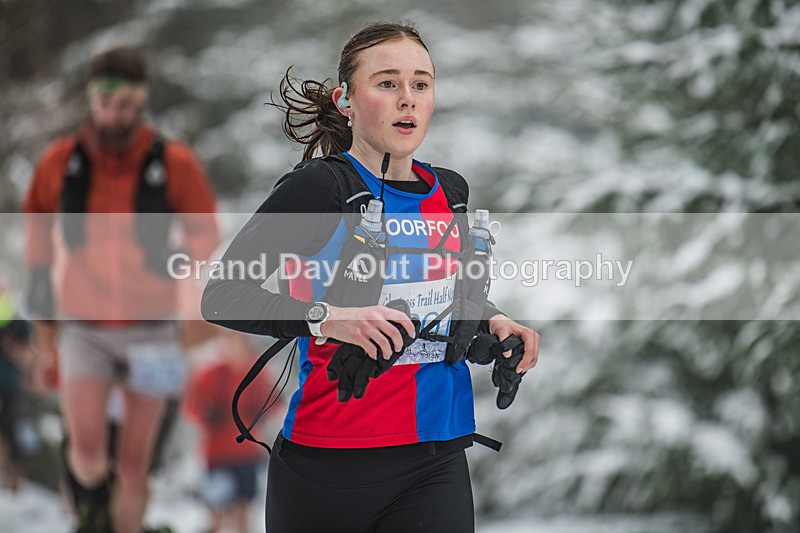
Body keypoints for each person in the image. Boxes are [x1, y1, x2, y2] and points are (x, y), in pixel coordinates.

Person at [201, 21, 540, 533]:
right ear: (346, 100)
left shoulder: (450, 193)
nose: (407, 99)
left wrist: (493, 322)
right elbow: (222, 296)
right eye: (387, 83)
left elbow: (441, 292)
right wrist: (328, 318)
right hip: (325, 466)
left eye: (420, 84)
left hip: (435, 458)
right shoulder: (319, 189)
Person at [23, 46, 220, 533]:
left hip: (152, 329)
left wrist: (183, 288)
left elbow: (205, 238)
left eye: (127, 102)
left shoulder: (173, 163)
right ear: (92, 100)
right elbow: (37, 249)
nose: (116, 113)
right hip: (84, 327)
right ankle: (91, 516)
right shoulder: (60, 163)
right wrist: (45, 334)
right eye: (106, 101)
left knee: (134, 465)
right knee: (87, 452)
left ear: (142, 100)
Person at [184, 329, 276, 533]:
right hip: (217, 455)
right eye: (229, 340)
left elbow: (274, 402)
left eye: (239, 340)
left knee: (244, 511)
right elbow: (191, 405)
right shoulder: (211, 373)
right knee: (216, 512)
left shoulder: (256, 372)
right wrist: (206, 413)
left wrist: (259, 413)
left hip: (247, 454)